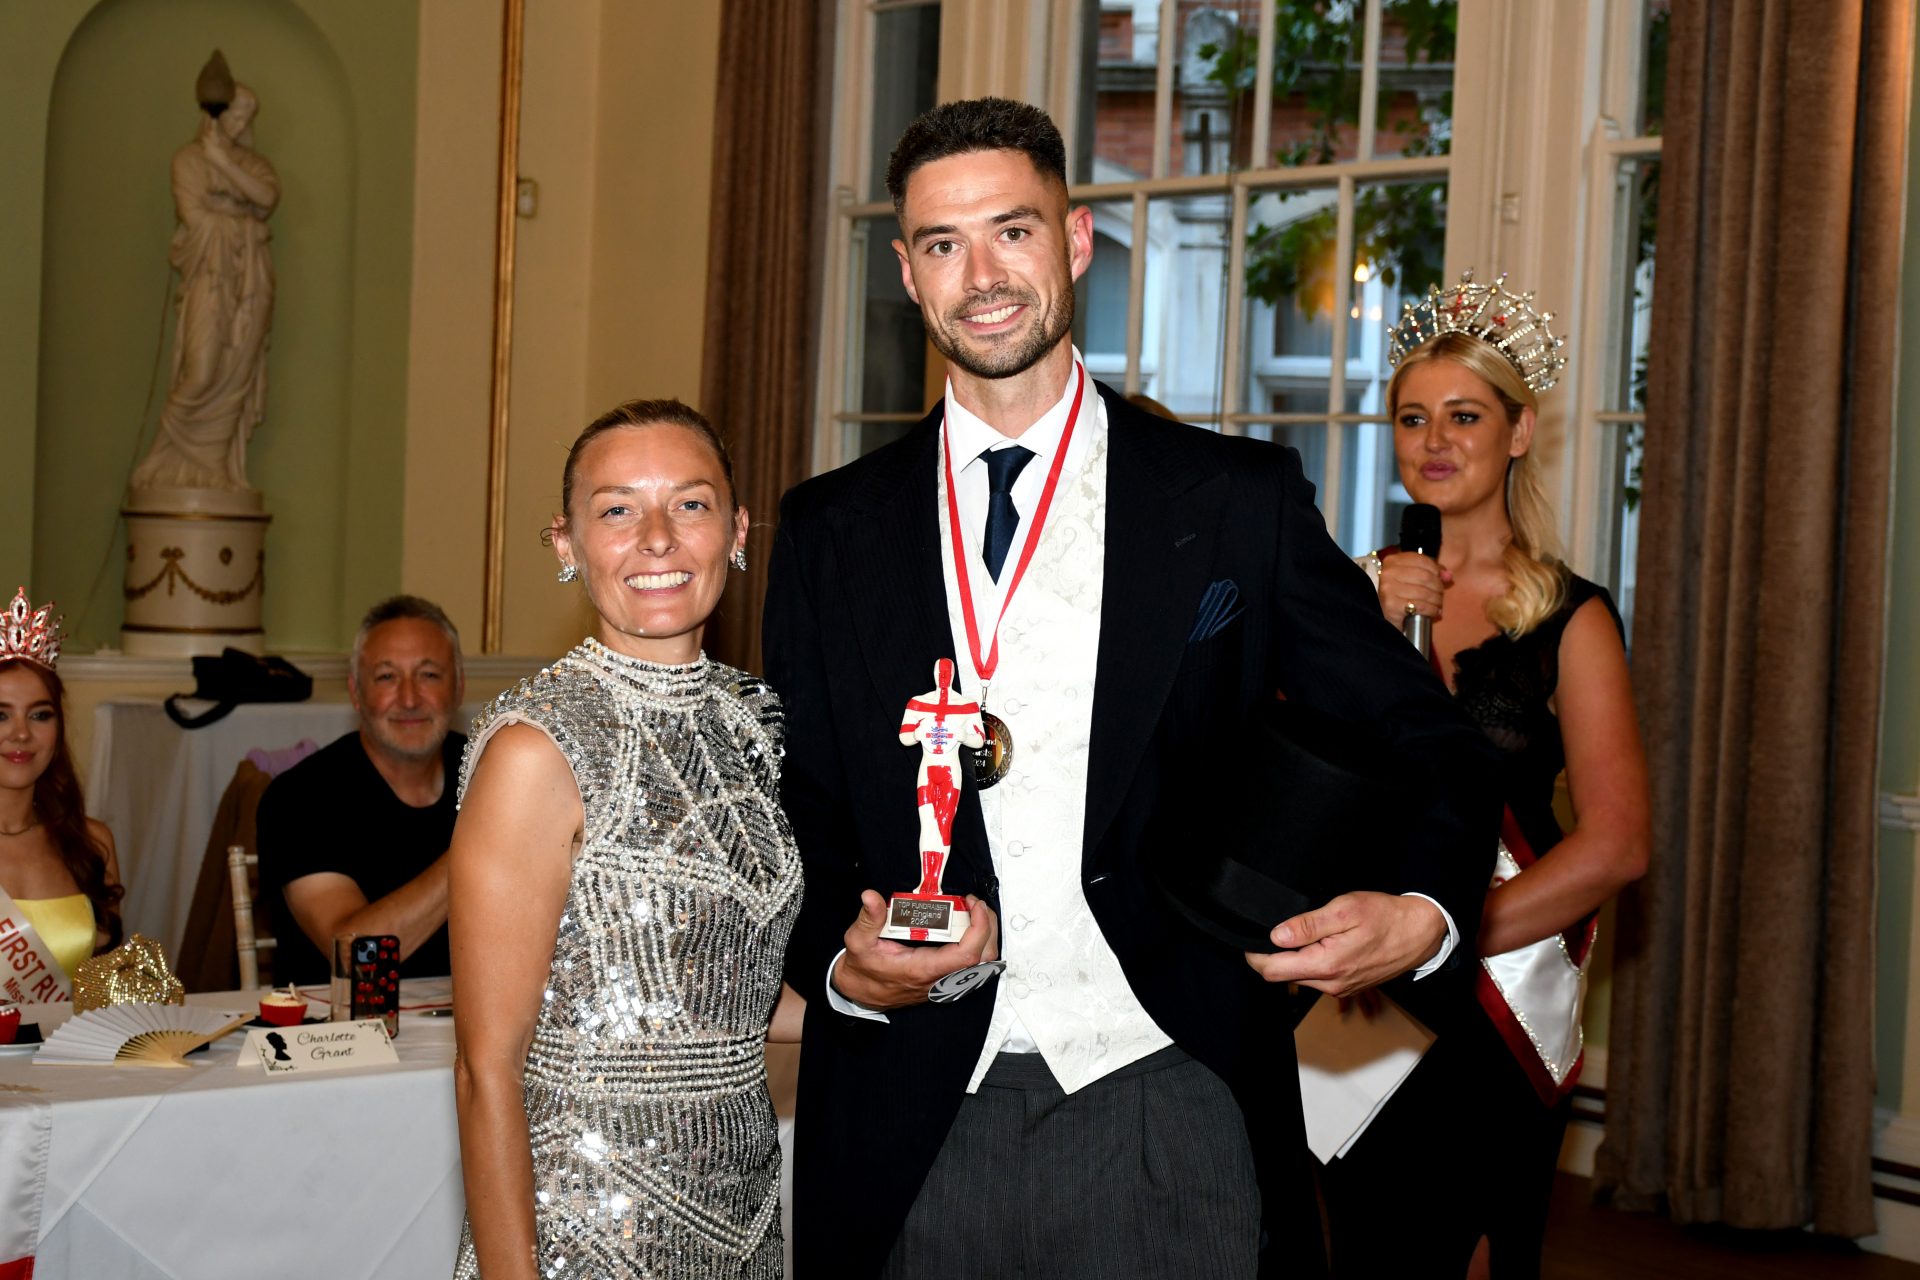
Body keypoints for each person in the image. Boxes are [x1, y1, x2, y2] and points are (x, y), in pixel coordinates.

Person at [762, 97, 1502, 1278]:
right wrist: (843, 967)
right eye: (945, 244)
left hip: (1169, 1078)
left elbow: (1433, 740)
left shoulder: (1233, 501)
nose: (984, 274)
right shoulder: (827, 530)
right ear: (907, 272)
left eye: (1013, 230)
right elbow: (794, 819)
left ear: (1076, 239)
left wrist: (1424, 910)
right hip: (906, 1104)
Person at [1317, 282, 1651, 1277]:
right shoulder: (1338, 597)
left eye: (1465, 415)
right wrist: (1366, 629)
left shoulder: (1570, 617)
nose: (1435, 439)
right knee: (1361, 1244)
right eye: (1413, 417)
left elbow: (1619, 839)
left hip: (1493, 994)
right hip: (1362, 996)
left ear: (1519, 431)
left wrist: (1451, 930)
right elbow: (1292, 779)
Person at [450, 399, 805, 1279]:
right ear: (567, 545)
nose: (657, 538)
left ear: (737, 531)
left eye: (690, 504)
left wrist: (888, 989)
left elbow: (734, 1000)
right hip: (587, 1233)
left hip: (747, 1220)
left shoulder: (755, 725)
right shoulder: (537, 748)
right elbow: (483, 1070)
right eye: (616, 510)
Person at [257, 595, 465, 984]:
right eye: (386, 677)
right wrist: (479, 846)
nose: (408, 698)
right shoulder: (299, 798)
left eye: (429, 675)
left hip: (477, 1028)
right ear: (356, 692)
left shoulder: (495, 774)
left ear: (458, 688)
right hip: (335, 1035)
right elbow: (356, 955)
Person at [128, 68, 279, 496]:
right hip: (209, 279)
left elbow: (267, 198)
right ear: (216, 114)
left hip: (250, 282)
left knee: (237, 373)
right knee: (202, 370)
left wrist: (224, 165)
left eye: (248, 117)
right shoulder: (187, 160)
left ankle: (215, 469)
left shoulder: (250, 163)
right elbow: (194, 219)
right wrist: (240, 215)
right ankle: (162, 459)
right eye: (234, 113)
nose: (241, 124)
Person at [0, 588, 123, 991]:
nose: (21, 733)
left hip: (66, 1053)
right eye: (0, 716)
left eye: (39, 714)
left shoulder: (91, 844)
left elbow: (104, 990)